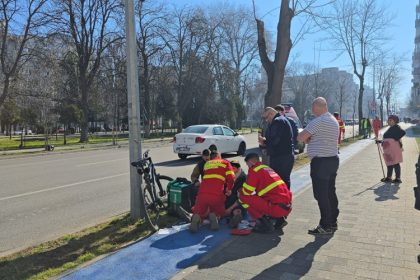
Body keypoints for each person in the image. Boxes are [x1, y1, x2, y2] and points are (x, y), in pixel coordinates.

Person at [297, 97, 339, 235]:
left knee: (320, 194)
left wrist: (308, 137)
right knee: (330, 192)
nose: (313, 111)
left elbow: (301, 137)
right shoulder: (333, 120)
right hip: (333, 159)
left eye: (313, 108)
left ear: (319, 106)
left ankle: (325, 225)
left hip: (321, 162)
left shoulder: (318, 121)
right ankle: (333, 222)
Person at [238, 153, 292, 234]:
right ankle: (279, 220)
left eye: (247, 164)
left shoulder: (255, 170)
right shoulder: (267, 168)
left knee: (242, 197)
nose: (248, 166)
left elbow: (247, 191)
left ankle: (263, 222)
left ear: (251, 162)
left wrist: (240, 190)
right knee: (257, 197)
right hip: (286, 206)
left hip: (276, 208)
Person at [190, 149, 235, 232]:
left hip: (202, 193)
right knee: (220, 210)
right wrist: (229, 189)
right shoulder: (225, 163)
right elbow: (231, 178)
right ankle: (215, 216)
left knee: (200, 209)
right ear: (219, 156)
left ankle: (197, 217)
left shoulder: (207, 164)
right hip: (217, 193)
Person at [258, 107, 294, 189]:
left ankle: (284, 200)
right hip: (283, 156)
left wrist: (264, 141)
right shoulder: (279, 120)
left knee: (281, 181)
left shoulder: (278, 121)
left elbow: (275, 140)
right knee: (281, 180)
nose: (266, 120)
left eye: (266, 117)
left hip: (281, 157)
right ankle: (284, 199)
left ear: (271, 113)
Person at [378, 115, 406, 183]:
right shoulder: (390, 128)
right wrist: (380, 141)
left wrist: (395, 139)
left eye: (390, 120)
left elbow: (403, 132)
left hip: (394, 148)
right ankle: (389, 177)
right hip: (388, 148)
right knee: (390, 163)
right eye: (388, 120)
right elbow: (387, 138)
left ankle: (398, 178)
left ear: (395, 121)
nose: (388, 121)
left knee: (395, 162)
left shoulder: (396, 127)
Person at [224, 160, 247, 228]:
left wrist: (230, 208)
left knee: (238, 209)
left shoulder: (243, 178)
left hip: (239, 201)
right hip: (231, 198)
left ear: (238, 168)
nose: (231, 170)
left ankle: (236, 217)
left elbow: (241, 198)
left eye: (233, 168)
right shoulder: (230, 175)